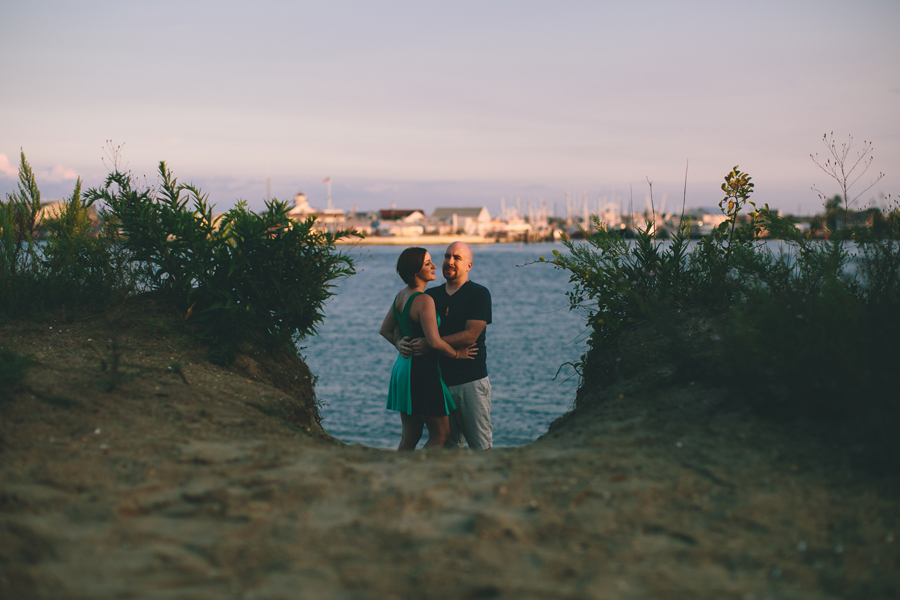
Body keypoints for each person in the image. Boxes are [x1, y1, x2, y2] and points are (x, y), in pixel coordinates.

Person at [397, 242, 493, 450]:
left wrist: (430, 343)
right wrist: (399, 342)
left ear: (469, 265)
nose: (449, 261)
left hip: (470, 380)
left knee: (481, 445)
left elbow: (471, 335)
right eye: (447, 256)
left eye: (457, 258)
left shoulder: (479, 293)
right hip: (438, 381)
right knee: (448, 447)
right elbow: (402, 324)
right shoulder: (430, 296)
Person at [380, 247, 477, 451]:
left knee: (410, 436)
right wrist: (457, 354)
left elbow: (386, 330)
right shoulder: (424, 300)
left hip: (403, 369)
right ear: (416, 272)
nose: (434, 266)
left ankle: (399, 474)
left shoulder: (401, 296)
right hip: (421, 371)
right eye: (427, 264)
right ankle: (416, 475)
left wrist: (399, 343)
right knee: (441, 433)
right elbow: (434, 342)